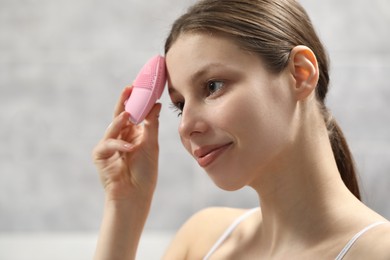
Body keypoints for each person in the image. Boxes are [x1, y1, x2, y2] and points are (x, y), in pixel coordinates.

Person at [92, 0, 390, 259]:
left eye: (213, 86)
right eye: (180, 105)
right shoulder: (202, 240)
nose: (186, 127)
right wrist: (125, 207)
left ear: (300, 74)